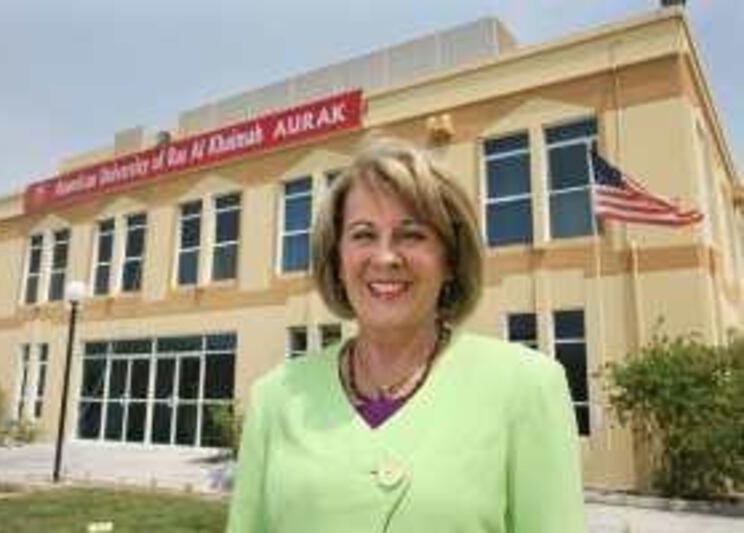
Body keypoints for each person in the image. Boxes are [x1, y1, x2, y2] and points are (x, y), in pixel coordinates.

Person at [226, 136, 585, 532]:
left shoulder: (528, 387)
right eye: (363, 235)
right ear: (337, 258)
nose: (385, 257)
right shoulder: (275, 397)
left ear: (450, 259)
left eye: (411, 234)